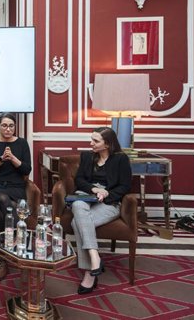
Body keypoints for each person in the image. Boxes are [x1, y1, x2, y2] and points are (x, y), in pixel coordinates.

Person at [72, 126, 132, 294]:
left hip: (109, 202)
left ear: (107, 144)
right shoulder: (87, 157)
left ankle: (89, 273)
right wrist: (94, 189)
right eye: (91, 139)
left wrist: (106, 194)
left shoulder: (120, 159)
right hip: (86, 196)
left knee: (77, 223)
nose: (91, 143)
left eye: (95, 141)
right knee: (77, 204)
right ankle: (95, 257)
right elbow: (79, 180)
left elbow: (125, 186)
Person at [0, 113, 32, 281]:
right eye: (4, 125)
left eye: (11, 125)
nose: (8, 129)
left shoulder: (22, 143)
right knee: (4, 200)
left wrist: (14, 159)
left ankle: (2, 260)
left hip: (15, 188)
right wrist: (2, 159)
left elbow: (26, 170)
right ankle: (20, 237)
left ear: (15, 127)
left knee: (6, 213)